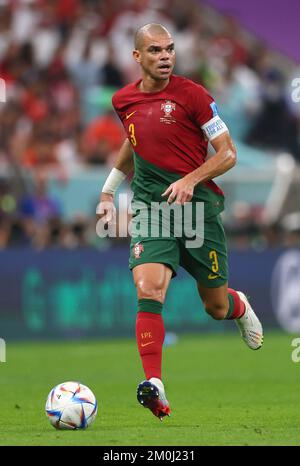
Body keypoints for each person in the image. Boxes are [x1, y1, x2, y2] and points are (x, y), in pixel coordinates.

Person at [97, 23, 263, 421]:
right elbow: (131, 143)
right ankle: (154, 383)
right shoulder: (124, 100)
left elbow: (228, 153)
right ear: (137, 57)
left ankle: (239, 307)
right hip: (153, 210)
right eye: (155, 50)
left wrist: (191, 179)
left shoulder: (194, 95)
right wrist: (108, 190)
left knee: (215, 306)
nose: (166, 56)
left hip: (198, 212)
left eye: (170, 49)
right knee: (149, 287)